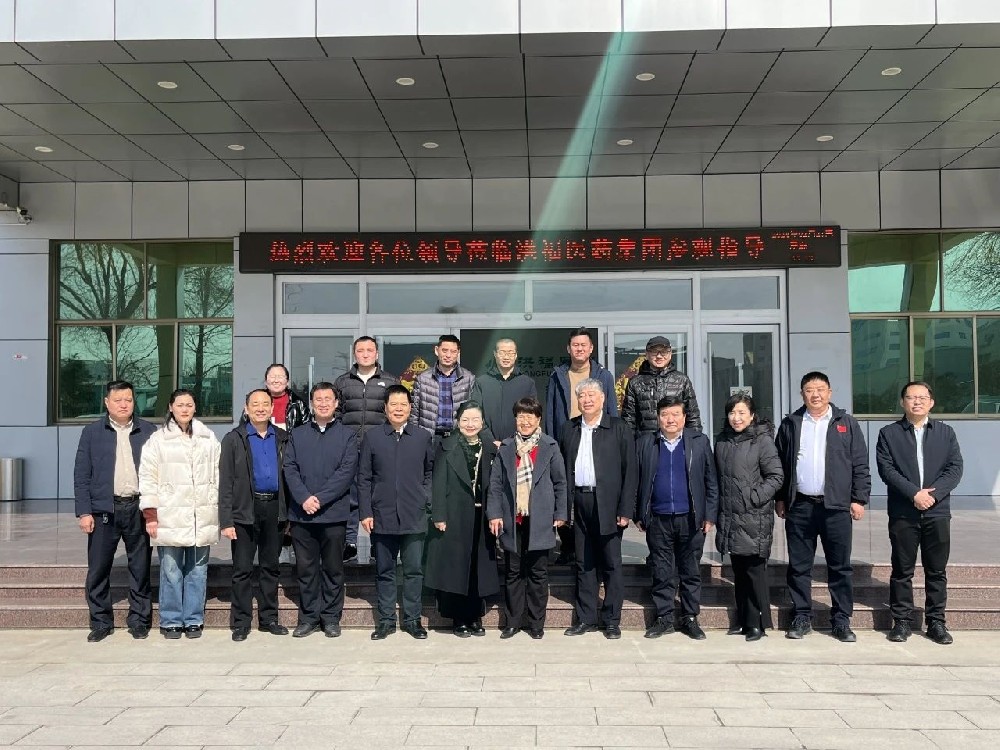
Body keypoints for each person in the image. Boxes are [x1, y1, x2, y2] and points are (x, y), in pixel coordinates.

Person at [775, 371, 871, 643]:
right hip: (800, 505)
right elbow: (779, 464)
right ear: (802, 394)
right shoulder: (791, 423)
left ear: (830, 392)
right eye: (809, 390)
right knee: (799, 566)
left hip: (836, 507)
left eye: (820, 389)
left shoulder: (846, 423)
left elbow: (860, 463)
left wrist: (858, 498)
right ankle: (801, 616)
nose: (815, 394)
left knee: (839, 566)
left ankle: (841, 620)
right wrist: (780, 498)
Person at [876, 381, 964, 645]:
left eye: (922, 397)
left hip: (937, 512)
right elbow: (887, 469)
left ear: (931, 402)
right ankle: (902, 621)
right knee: (902, 570)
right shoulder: (888, 433)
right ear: (902, 402)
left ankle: (936, 622)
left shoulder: (946, 433)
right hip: (904, 512)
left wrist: (932, 496)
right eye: (911, 397)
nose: (917, 401)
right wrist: (914, 493)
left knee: (936, 570)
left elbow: (955, 469)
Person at [74, 380, 157, 642]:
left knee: (140, 567)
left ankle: (139, 620)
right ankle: (101, 622)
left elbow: (158, 472)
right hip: (104, 510)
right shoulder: (92, 432)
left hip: (138, 508)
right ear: (107, 402)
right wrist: (84, 512)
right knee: (98, 569)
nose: (124, 404)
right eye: (118, 400)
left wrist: (154, 510)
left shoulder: (149, 431)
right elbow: (81, 475)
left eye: (128, 400)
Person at [138, 388, 221, 640]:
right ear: (171, 408)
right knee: (171, 571)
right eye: (180, 405)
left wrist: (216, 506)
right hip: (170, 515)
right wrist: (150, 514)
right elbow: (147, 477)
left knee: (197, 571)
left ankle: (194, 619)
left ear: (195, 408)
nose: (185, 409)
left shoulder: (208, 438)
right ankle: (171, 620)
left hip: (201, 515)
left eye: (189, 405)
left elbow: (218, 475)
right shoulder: (158, 440)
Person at [559, 379, 637, 640]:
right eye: (582, 395)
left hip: (608, 504)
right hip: (579, 502)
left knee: (611, 563)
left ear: (603, 399)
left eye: (592, 395)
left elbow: (630, 471)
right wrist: (563, 508)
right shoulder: (569, 428)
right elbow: (562, 471)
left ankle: (612, 620)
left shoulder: (618, 427)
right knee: (584, 563)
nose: (587, 400)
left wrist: (625, 509)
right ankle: (586, 618)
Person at [636, 397, 718, 641]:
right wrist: (639, 513)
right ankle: (664, 617)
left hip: (691, 518)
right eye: (665, 415)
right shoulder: (646, 442)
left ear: (684, 417)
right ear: (658, 418)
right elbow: (636, 480)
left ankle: (690, 617)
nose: (670, 419)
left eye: (675, 414)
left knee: (690, 570)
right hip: (658, 519)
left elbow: (711, 481)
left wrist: (709, 514)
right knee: (662, 570)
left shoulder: (699, 441)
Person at [487, 397, 568, 640]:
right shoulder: (506, 447)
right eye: (520, 416)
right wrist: (495, 514)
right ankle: (512, 622)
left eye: (530, 416)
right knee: (513, 572)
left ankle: (536, 623)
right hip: (513, 519)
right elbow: (495, 484)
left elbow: (560, 482)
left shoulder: (549, 446)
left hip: (540, 518)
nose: (525, 421)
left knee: (538, 573)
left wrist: (561, 513)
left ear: (538, 419)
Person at [283, 382, 358, 638]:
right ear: (312, 404)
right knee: (306, 570)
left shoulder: (348, 435)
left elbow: (346, 473)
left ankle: (331, 618)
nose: (323, 403)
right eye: (318, 399)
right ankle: (309, 618)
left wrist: (321, 498)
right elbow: (290, 468)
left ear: (336, 403)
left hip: (334, 514)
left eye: (328, 399)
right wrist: (304, 498)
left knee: (333, 569)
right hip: (302, 515)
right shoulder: (298, 434)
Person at [359, 385, 434, 641]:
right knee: (385, 571)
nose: (398, 409)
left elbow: (429, 472)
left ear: (411, 408)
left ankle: (413, 620)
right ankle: (386, 621)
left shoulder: (422, 437)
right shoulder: (373, 437)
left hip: (414, 515)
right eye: (394, 404)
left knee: (413, 571)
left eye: (403, 404)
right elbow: (364, 478)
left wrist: (426, 499)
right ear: (385, 408)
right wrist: (366, 511)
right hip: (382, 515)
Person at [219, 389, 290, 642]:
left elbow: (289, 477)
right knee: (242, 569)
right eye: (255, 404)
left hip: (274, 509)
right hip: (244, 511)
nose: (260, 408)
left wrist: (289, 514)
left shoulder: (282, 437)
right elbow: (225, 482)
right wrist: (226, 520)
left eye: (265, 404)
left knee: (271, 567)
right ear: (246, 409)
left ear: (272, 408)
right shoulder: (234, 439)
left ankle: (269, 618)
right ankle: (241, 622)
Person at [425, 401, 500, 637]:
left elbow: (496, 484)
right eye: (465, 419)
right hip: (454, 515)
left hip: (481, 515)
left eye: (475, 419)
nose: (470, 424)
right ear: (457, 422)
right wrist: (438, 514)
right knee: (456, 568)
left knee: (478, 567)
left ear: (482, 422)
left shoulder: (489, 448)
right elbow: (438, 482)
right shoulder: (446, 446)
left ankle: (475, 616)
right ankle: (458, 619)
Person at [713, 393, 784, 641]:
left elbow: (776, 476)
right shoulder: (722, 441)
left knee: (754, 572)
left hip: (754, 516)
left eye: (742, 412)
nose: (737, 418)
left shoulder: (762, 441)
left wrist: (754, 497)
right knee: (739, 571)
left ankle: (758, 623)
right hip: (730, 516)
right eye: (732, 412)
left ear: (752, 415)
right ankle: (744, 620)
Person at [544, 327, 617, 564]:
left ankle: (593, 545)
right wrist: (551, 442)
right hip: (567, 439)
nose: (579, 349)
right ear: (568, 348)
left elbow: (612, 411)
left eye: (584, 345)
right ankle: (568, 546)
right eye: (575, 345)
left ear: (591, 348)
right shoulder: (558, 375)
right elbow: (550, 412)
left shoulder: (604, 376)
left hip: (596, 439)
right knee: (565, 491)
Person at [334, 335, 400, 562]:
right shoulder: (343, 382)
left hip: (379, 447)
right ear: (354, 354)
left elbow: (396, 413)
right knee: (351, 495)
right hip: (350, 447)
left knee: (377, 496)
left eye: (369, 350)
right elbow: (337, 413)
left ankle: (377, 543)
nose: (365, 354)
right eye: (360, 350)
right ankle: (350, 542)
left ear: (377, 354)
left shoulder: (390, 381)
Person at [622, 336, 702, 434]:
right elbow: (628, 419)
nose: (659, 356)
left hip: (676, 439)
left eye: (663, 352)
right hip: (645, 440)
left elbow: (693, 417)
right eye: (654, 351)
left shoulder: (682, 380)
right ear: (647, 354)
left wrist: (695, 440)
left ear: (670, 354)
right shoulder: (635, 382)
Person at [410, 334, 476, 445]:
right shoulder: (423, 379)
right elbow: (414, 414)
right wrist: (414, 439)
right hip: (429, 438)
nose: (448, 355)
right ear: (437, 350)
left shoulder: (468, 378)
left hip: (458, 438)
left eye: (453, 351)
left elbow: (474, 412)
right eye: (444, 351)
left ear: (458, 353)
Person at [470, 338, 537, 445]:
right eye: (502, 353)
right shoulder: (482, 382)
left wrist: (518, 440)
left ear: (516, 355)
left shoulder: (527, 383)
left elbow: (532, 415)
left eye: (510, 353)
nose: (506, 357)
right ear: (495, 354)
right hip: (487, 444)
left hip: (519, 444)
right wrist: (490, 440)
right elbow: (475, 414)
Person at [263, 363, 310, 430]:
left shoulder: (298, 404)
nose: (276, 381)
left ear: (287, 382)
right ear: (266, 382)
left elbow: (308, 431)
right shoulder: (255, 401)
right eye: (272, 377)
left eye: (280, 377)